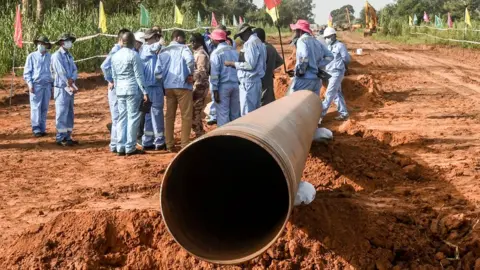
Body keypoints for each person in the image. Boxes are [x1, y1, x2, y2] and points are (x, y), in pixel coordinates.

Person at [155, 30, 195, 151]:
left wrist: (164, 82)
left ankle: (169, 144)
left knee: (169, 116)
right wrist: (190, 74)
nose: (184, 41)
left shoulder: (163, 51)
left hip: (168, 88)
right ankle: (184, 144)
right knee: (186, 116)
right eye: (183, 38)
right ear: (178, 38)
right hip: (183, 86)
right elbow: (190, 61)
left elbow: (157, 73)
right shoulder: (184, 49)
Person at [111, 32, 148, 156]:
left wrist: (116, 88)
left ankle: (120, 146)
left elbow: (114, 76)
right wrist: (144, 91)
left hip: (120, 90)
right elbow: (139, 75)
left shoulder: (115, 56)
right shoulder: (134, 55)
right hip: (132, 89)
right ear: (132, 41)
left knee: (122, 117)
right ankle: (130, 146)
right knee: (133, 117)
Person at [225, 23, 266, 116]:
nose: (241, 38)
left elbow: (250, 65)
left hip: (249, 83)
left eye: (241, 35)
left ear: (246, 32)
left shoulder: (250, 43)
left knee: (247, 114)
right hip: (255, 81)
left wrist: (233, 64)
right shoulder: (258, 41)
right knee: (255, 113)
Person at [101, 28, 130, 153]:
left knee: (121, 116)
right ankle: (116, 144)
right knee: (118, 117)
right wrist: (110, 79)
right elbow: (104, 66)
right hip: (116, 88)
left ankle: (117, 143)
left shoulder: (123, 50)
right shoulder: (116, 50)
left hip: (121, 87)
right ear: (120, 39)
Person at [289, 19, 333, 95]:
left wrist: (301, 71)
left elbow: (304, 57)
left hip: (304, 80)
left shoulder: (301, 40)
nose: (295, 32)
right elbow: (330, 56)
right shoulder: (316, 41)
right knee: (312, 105)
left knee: (296, 104)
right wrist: (317, 65)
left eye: (296, 30)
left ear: (300, 31)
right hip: (316, 81)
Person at [139, 29, 166, 151]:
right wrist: (160, 42)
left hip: (148, 87)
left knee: (149, 115)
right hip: (153, 87)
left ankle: (147, 140)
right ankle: (159, 141)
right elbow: (155, 47)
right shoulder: (147, 49)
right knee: (156, 114)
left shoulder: (149, 50)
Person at [51, 33, 78, 146]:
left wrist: (72, 78)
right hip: (62, 88)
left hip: (69, 87)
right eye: (67, 41)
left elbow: (74, 69)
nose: (69, 43)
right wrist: (68, 82)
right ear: (62, 42)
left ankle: (68, 136)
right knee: (62, 112)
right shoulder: (56, 56)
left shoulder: (69, 55)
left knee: (69, 113)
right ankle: (60, 137)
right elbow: (60, 72)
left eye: (70, 41)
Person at [23, 35, 53, 138]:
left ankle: (42, 128)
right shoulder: (31, 56)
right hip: (36, 85)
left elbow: (53, 71)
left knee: (44, 107)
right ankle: (36, 129)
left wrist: (52, 85)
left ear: (46, 45)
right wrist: (30, 85)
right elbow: (27, 72)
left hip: (47, 85)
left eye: (43, 44)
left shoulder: (50, 57)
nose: (41, 45)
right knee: (36, 107)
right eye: (39, 43)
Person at [209, 29, 240, 126]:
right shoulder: (235, 51)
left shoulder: (216, 53)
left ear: (217, 40)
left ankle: (225, 138)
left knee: (223, 115)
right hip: (236, 85)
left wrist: (214, 90)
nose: (211, 41)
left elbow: (214, 74)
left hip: (223, 87)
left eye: (212, 39)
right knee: (235, 114)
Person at [322, 27, 350, 121]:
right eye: (325, 37)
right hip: (329, 72)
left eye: (328, 37)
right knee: (337, 93)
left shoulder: (340, 46)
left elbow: (346, 58)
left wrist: (344, 67)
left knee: (329, 93)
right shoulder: (329, 47)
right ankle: (344, 113)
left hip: (337, 72)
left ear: (334, 36)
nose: (327, 39)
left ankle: (320, 114)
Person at [253, 28, 284, 106]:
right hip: (269, 79)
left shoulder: (260, 48)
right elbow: (280, 61)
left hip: (261, 81)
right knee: (270, 102)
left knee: (262, 103)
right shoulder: (270, 47)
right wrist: (271, 68)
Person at [190, 33, 210, 137]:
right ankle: (199, 131)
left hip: (200, 86)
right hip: (199, 85)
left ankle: (199, 133)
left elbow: (201, 72)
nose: (192, 43)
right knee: (195, 110)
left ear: (199, 42)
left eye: (194, 41)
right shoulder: (198, 52)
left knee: (195, 111)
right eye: (191, 41)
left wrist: (190, 76)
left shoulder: (201, 54)